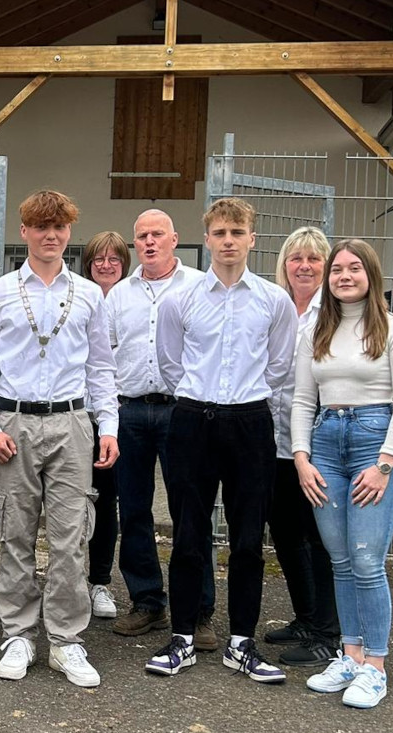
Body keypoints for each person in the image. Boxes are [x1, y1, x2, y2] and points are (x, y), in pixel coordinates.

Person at [0, 190, 119, 689]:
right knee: (15, 533)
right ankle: (19, 634)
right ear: (24, 232)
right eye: (41, 227)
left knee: (72, 537)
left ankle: (67, 640)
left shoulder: (89, 294)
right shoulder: (0, 293)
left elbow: (101, 367)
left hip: (72, 424)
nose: (51, 236)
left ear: (69, 233)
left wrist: (107, 426)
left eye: (60, 228)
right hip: (15, 423)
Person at [147, 198, 296, 683]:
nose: (228, 240)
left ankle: (241, 643)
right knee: (189, 534)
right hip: (193, 420)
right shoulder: (180, 299)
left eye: (238, 232)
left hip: (250, 423)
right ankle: (183, 638)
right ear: (206, 239)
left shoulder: (273, 301)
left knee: (249, 538)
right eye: (220, 233)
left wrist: (242, 401)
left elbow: (278, 365)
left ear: (252, 239)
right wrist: (202, 400)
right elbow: (171, 364)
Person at [293, 239, 393, 709]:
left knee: (367, 561)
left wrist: (385, 464)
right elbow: (304, 400)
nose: (344, 276)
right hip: (326, 445)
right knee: (341, 560)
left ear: (371, 274)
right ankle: (349, 655)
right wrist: (302, 456)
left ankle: (375, 666)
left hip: (374, 441)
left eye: (353, 268)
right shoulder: (317, 332)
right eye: (337, 270)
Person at [105, 210, 215, 647]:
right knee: (133, 511)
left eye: (157, 235)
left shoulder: (200, 288)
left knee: (192, 511)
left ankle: (198, 611)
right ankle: (147, 601)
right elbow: (104, 351)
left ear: (175, 239)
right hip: (129, 411)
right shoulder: (119, 296)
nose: (149, 242)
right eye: (141, 237)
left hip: (182, 412)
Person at [264, 227, 339, 666]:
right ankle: (306, 618)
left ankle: (328, 632)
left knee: (318, 537)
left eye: (314, 259)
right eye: (297, 259)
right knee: (287, 534)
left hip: (316, 443)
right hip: (274, 439)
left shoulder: (335, 313)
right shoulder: (276, 307)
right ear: (285, 265)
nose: (305, 266)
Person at [79, 230, 129, 622]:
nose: (106, 264)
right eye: (99, 258)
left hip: (114, 417)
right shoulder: (76, 298)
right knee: (70, 503)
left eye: (114, 258)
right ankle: (68, 581)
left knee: (107, 502)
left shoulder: (132, 302)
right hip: (76, 415)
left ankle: (99, 582)